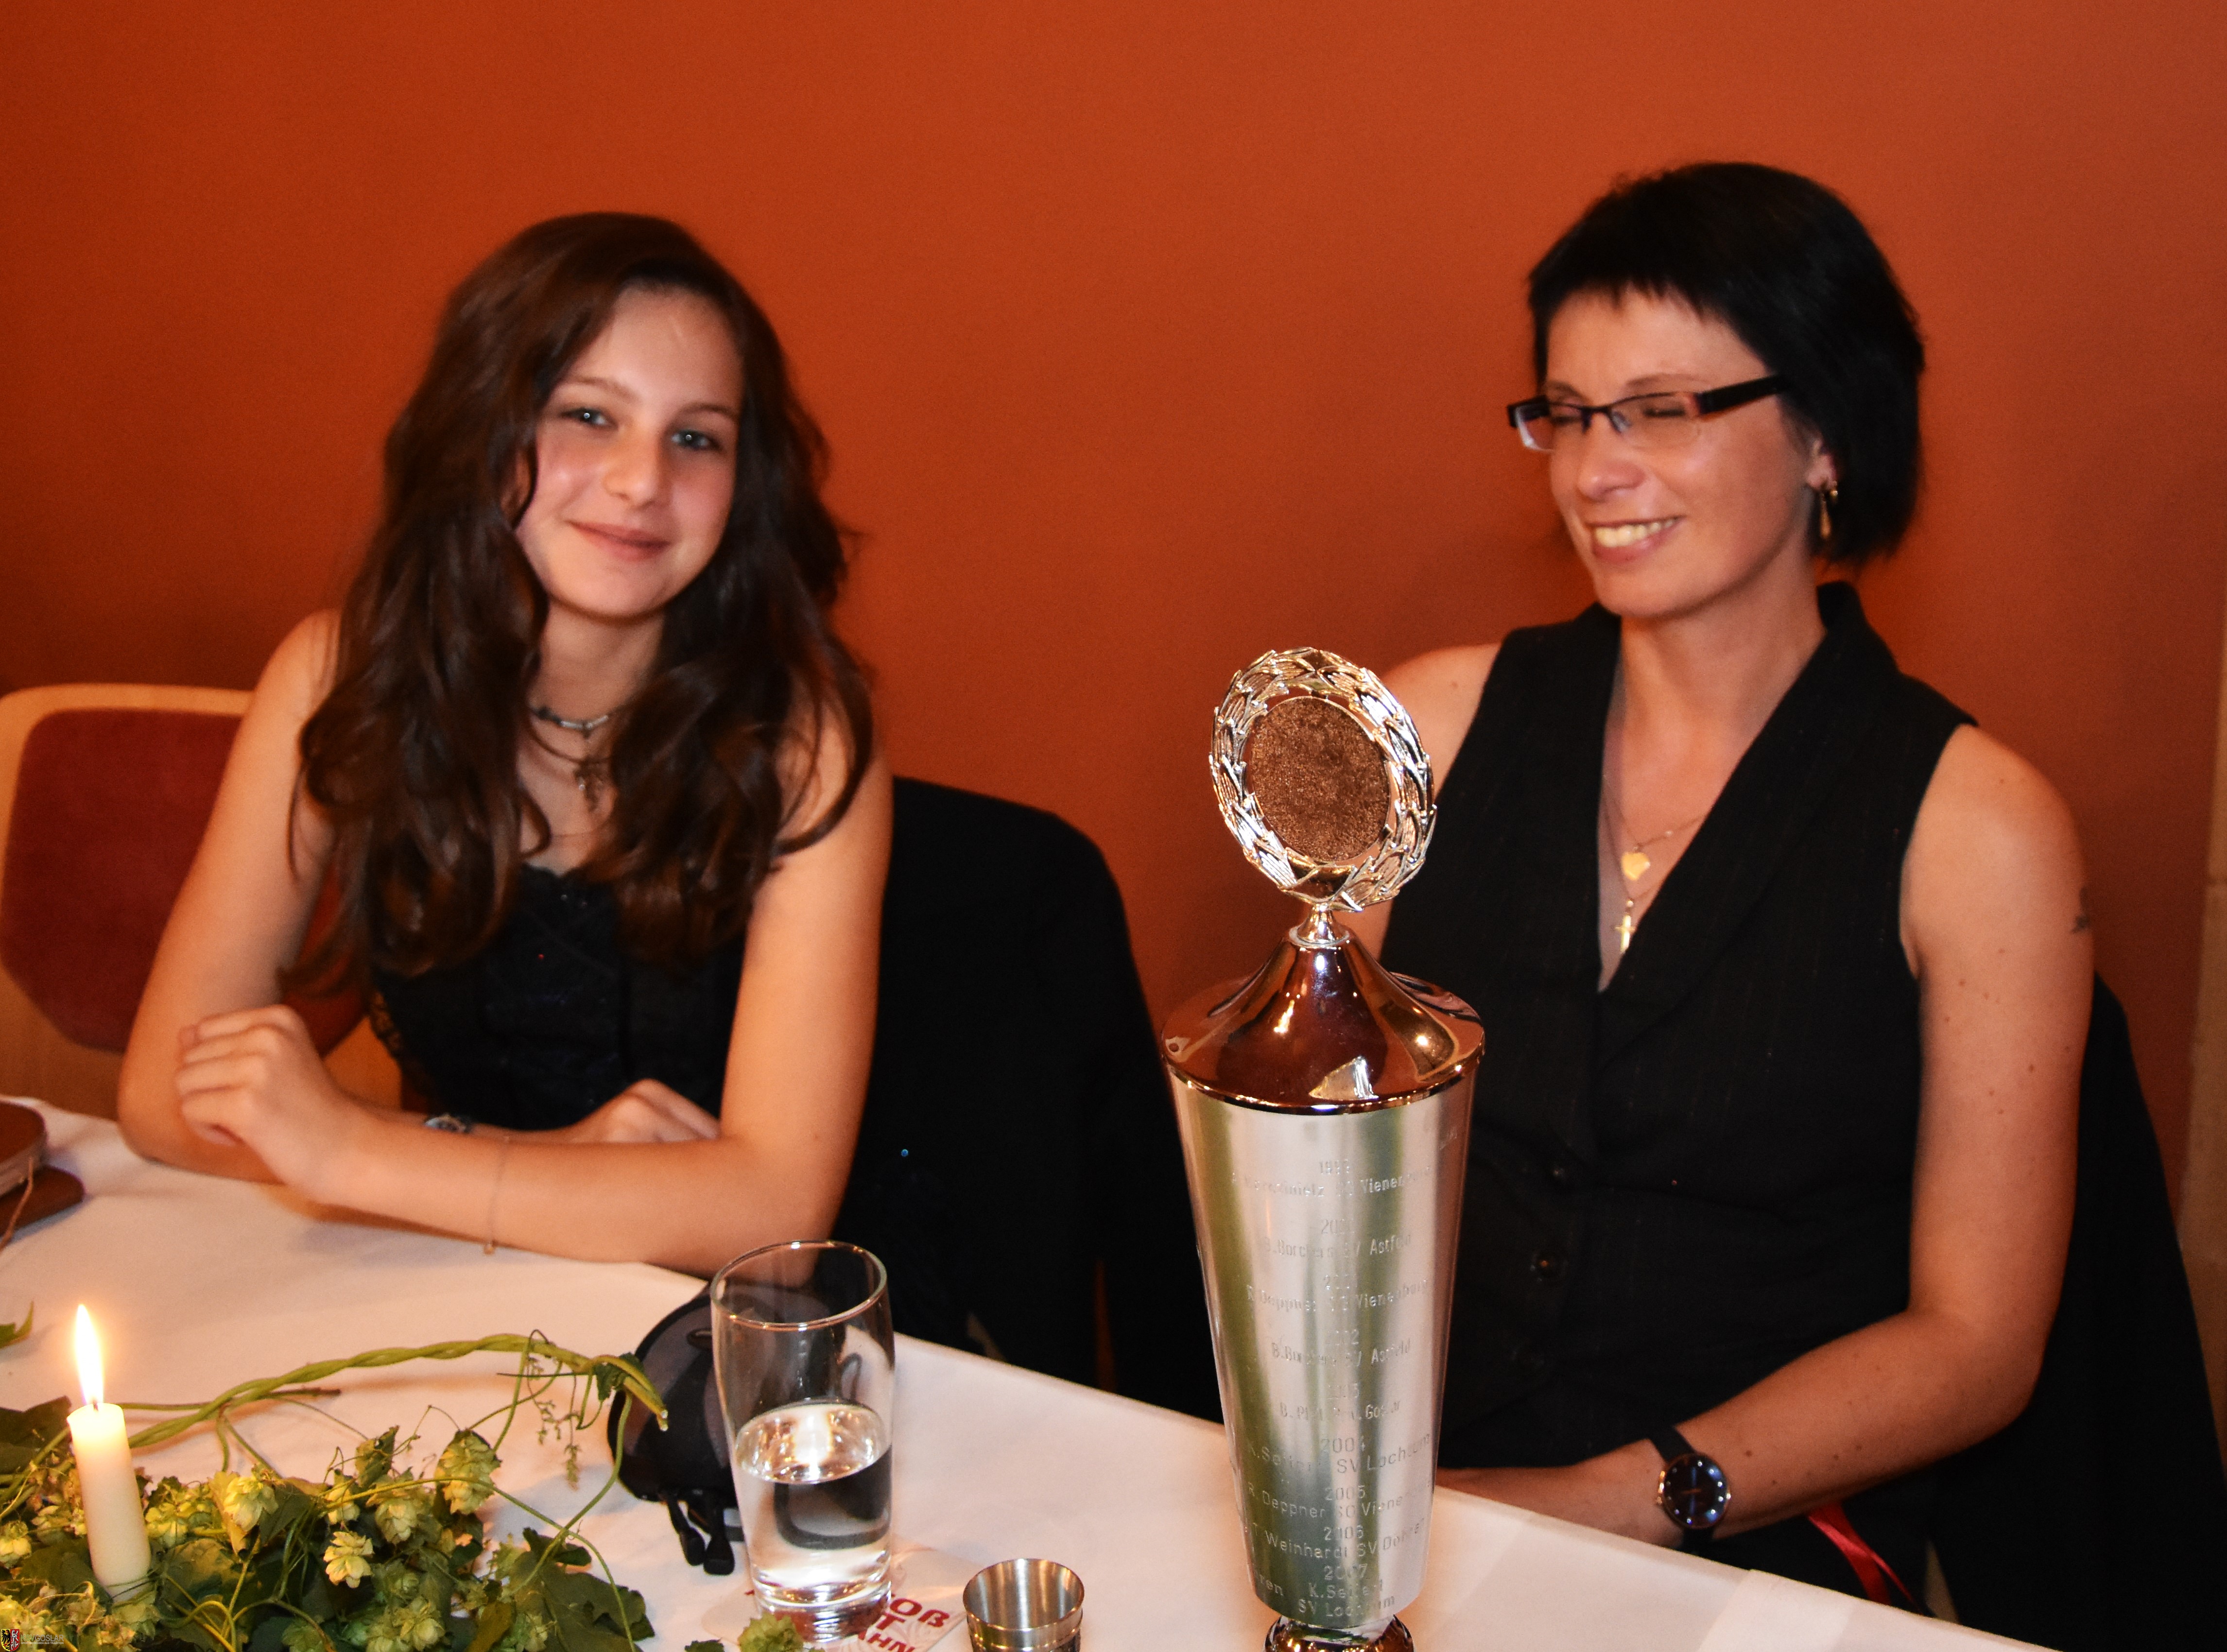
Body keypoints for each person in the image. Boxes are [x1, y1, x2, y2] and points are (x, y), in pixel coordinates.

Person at [1343, 164, 2091, 1600]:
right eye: (1568, 413)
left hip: (1757, 1535)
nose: (1592, 470)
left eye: (1662, 410)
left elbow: (1978, 1342)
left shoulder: (1979, 828)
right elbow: (1328, 1171)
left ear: (1826, 433)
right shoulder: (1424, 727)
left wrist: (1620, 1500)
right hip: (1419, 1495)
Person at [119, 213, 892, 1277]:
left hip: (732, 1325)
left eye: (697, 437)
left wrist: (346, 1148)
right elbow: (161, 1095)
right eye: (588, 415)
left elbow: (771, 1228)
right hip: (467, 1285)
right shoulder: (336, 674)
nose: (642, 480)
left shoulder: (805, 739)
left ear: (743, 482)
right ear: (483, 428)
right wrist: (544, 1163)